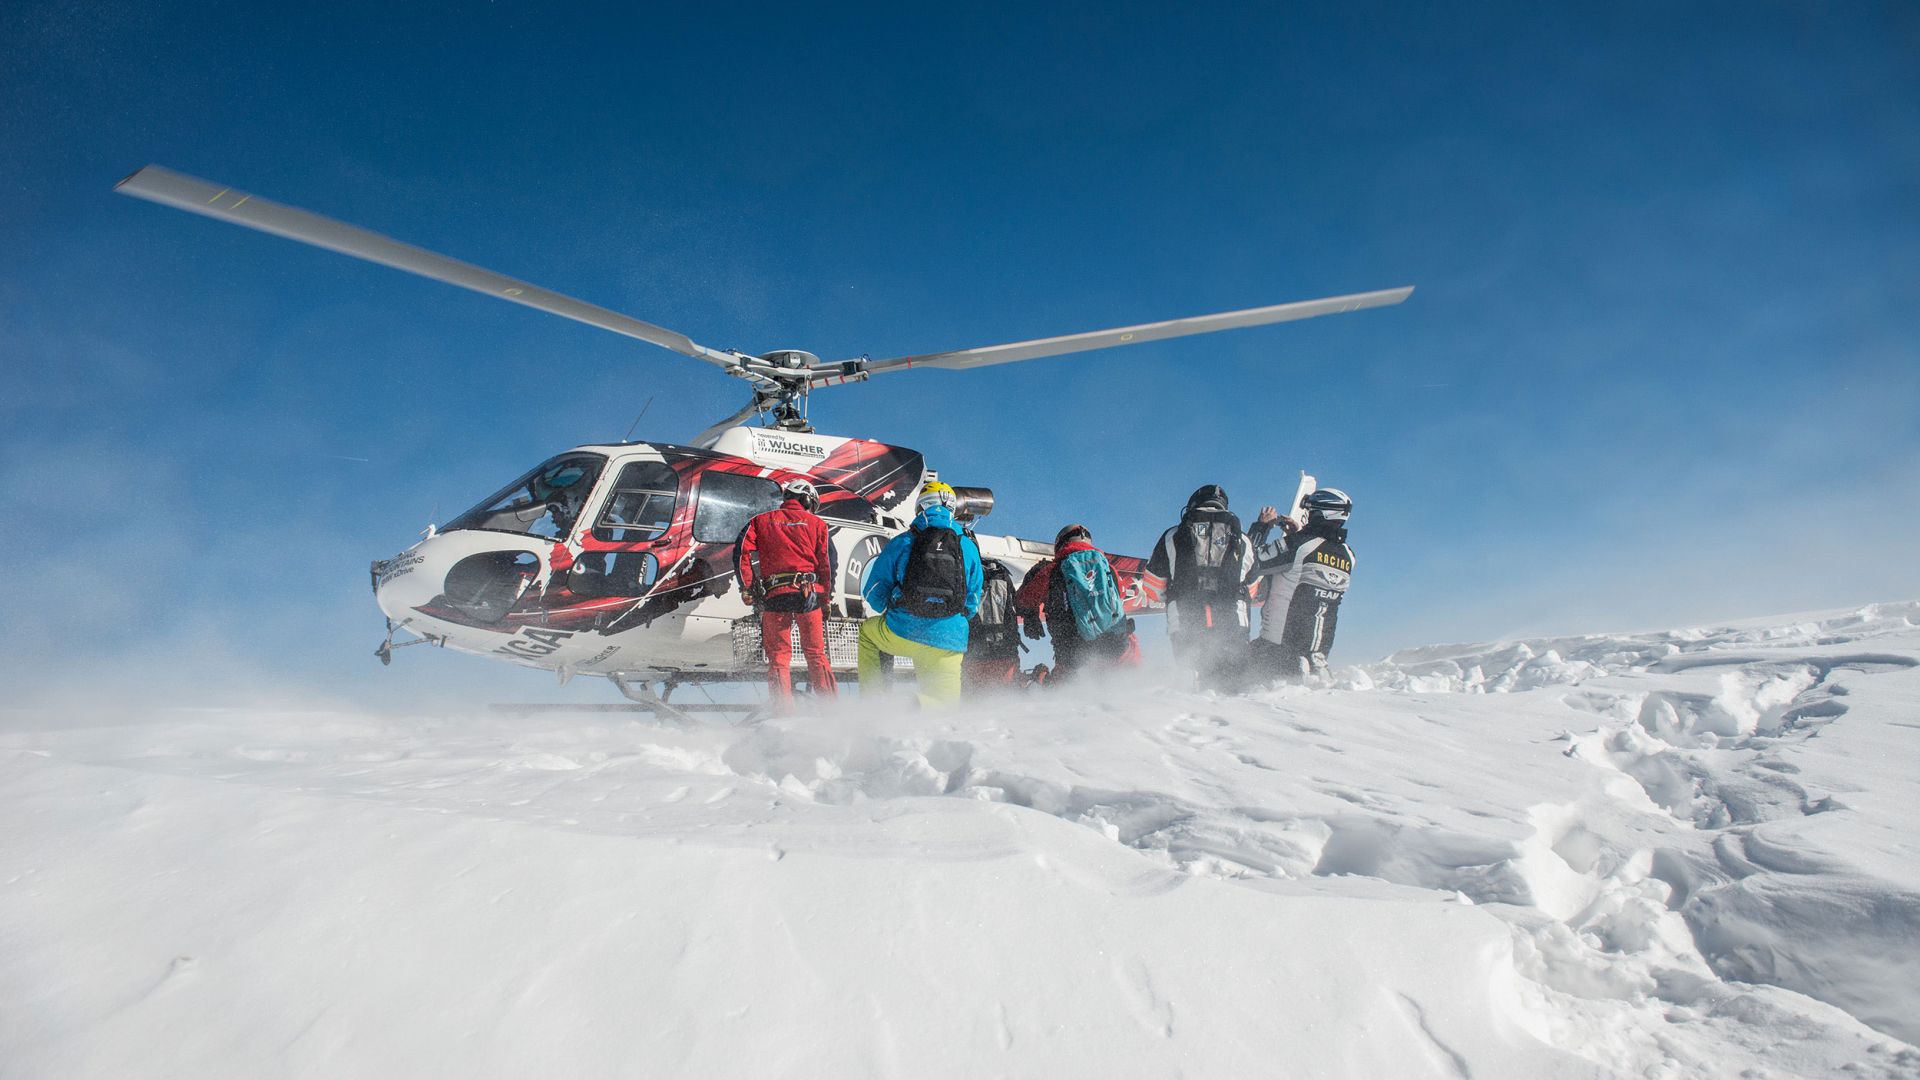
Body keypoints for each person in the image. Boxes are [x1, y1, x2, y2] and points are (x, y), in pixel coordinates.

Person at [857, 481, 984, 707]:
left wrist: (891, 606)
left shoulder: (903, 541)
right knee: (944, 707)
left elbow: (873, 591)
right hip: (949, 640)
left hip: (902, 631)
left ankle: (873, 705)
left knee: (868, 635)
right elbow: (973, 601)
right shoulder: (968, 546)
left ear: (921, 507)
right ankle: (915, 705)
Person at [736, 478, 838, 710]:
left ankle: (782, 714)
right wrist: (826, 597)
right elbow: (828, 564)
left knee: (779, 658)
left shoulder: (760, 521)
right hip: (807, 596)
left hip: (774, 596)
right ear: (806, 499)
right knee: (815, 654)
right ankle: (832, 711)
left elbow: (741, 551)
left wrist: (748, 587)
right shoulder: (817, 524)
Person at [1146, 485, 1255, 689]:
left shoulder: (1172, 536)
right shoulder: (1245, 540)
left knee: (1191, 673)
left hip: (1185, 613)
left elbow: (1152, 585)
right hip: (1232, 617)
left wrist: (1171, 594)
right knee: (1235, 680)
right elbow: (1255, 586)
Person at [1248, 488, 1355, 681]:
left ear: (1320, 513)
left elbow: (1249, 561)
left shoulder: (1298, 545)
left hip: (1275, 653)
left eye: (1311, 511)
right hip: (1316, 659)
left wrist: (1262, 527)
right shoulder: (1348, 555)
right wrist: (1298, 533)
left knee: (1217, 672)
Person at [1014, 524, 1139, 681]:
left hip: (1072, 655)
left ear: (1060, 543)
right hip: (1116, 647)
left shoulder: (1051, 570)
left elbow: (1024, 599)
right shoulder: (1108, 568)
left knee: (1067, 694)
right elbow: (1119, 595)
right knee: (1129, 671)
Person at [965, 557, 1025, 691]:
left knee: (972, 700)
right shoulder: (1004, 576)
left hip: (975, 655)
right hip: (1006, 653)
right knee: (1009, 695)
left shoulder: (968, 575)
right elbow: (1019, 606)